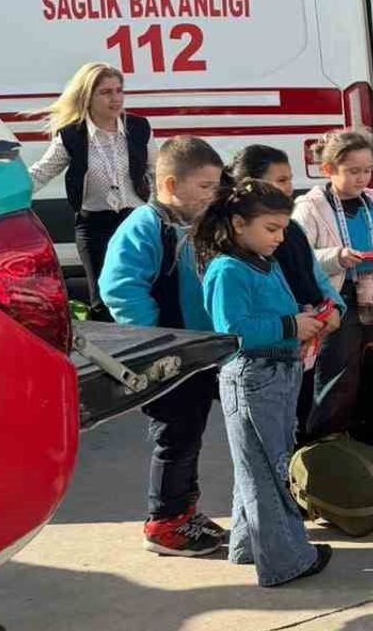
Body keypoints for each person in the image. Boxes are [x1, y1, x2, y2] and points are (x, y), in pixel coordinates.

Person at [195, 180, 333, 587]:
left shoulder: (261, 261)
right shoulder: (227, 269)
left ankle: (249, 545)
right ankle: (286, 561)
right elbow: (232, 330)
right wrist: (292, 324)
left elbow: (273, 311)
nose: (280, 237)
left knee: (255, 467)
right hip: (253, 378)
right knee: (269, 472)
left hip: (274, 375)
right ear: (239, 223)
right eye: (271, 228)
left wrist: (305, 316)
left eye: (283, 229)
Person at [99, 136, 226, 557]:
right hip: (167, 359)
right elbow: (119, 288)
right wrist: (155, 341)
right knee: (174, 438)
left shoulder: (196, 223)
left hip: (199, 355)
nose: (214, 195)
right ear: (171, 185)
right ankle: (164, 524)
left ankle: (184, 512)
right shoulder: (145, 225)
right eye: (206, 186)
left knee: (190, 435)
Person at [292, 130, 373, 440]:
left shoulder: (372, 200)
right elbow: (298, 258)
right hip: (337, 300)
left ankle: (366, 441)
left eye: (367, 170)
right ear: (329, 169)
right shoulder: (311, 206)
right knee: (337, 376)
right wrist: (337, 257)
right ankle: (325, 444)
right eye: (353, 171)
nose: (363, 178)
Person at [228, 145, 346, 441]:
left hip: (302, 352)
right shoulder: (238, 253)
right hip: (266, 363)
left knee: (305, 423)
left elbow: (317, 276)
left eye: (289, 179)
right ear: (250, 186)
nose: (289, 188)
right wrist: (293, 323)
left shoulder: (291, 229)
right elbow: (237, 324)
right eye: (280, 180)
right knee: (270, 443)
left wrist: (334, 308)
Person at [30, 62, 158, 317]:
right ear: (87, 96)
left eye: (119, 90)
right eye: (106, 92)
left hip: (134, 221)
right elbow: (40, 173)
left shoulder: (139, 127)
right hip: (94, 225)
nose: (115, 98)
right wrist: (4, 193)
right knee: (101, 298)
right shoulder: (71, 135)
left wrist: (160, 212)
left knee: (144, 289)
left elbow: (156, 171)